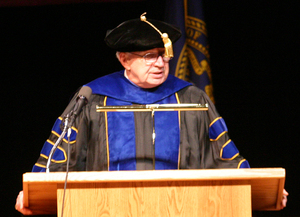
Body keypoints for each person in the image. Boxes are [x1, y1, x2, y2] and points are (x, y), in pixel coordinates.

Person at [15, 13, 287, 215]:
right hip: (104, 209)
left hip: (186, 209)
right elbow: (59, 156)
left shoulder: (191, 97)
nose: (159, 63)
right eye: (149, 55)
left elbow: (223, 155)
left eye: (163, 55)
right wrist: (34, 191)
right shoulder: (93, 97)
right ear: (124, 59)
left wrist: (258, 187)